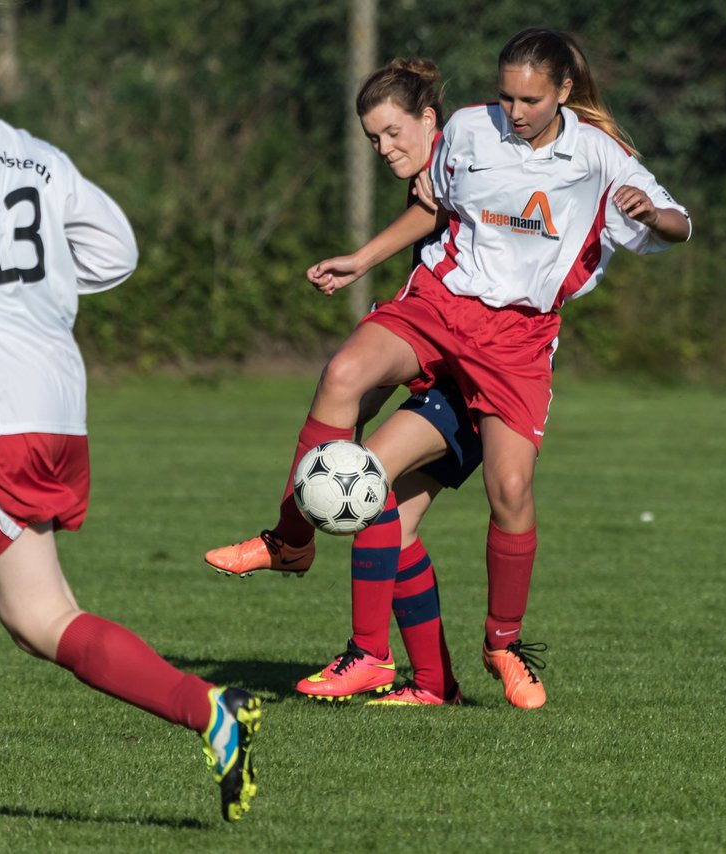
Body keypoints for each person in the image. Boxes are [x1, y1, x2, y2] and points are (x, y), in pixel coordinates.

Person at [0, 1, 260, 826]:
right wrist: (33, 297)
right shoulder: (36, 155)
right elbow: (115, 250)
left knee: (40, 618)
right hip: (55, 406)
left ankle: (209, 710)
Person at [217, 28, 691, 710]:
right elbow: (430, 205)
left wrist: (656, 216)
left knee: (510, 489)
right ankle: (325, 588)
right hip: (442, 304)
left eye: (530, 98)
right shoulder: (472, 130)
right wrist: (362, 259)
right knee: (346, 375)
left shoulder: (598, 157)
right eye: (506, 94)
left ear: (563, 92)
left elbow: (677, 225)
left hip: (517, 342)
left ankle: (499, 645)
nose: (515, 109)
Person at [207, 59, 476, 707]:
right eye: (373, 140)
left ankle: (366, 648)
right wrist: (360, 262)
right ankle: (434, 686)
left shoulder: (474, 153)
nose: (384, 149)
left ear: (429, 120)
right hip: (441, 342)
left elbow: (445, 209)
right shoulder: (440, 170)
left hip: (482, 365)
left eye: (392, 133)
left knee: (365, 466)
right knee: (390, 517)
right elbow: (428, 212)